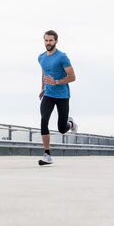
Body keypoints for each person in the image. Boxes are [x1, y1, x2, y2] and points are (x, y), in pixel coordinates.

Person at [38, 30, 77, 165]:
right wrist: (42, 88)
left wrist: (56, 82)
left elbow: (72, 77)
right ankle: (47, 155)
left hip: (62, 96)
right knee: (44, 120)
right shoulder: (41, 57)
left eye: (50, 40)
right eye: (46, 40)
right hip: (48, 94)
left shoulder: (62, 57)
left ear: (56, 41)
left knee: (61, 128)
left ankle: (70, 123)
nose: (48, 43)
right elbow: (44, 73)